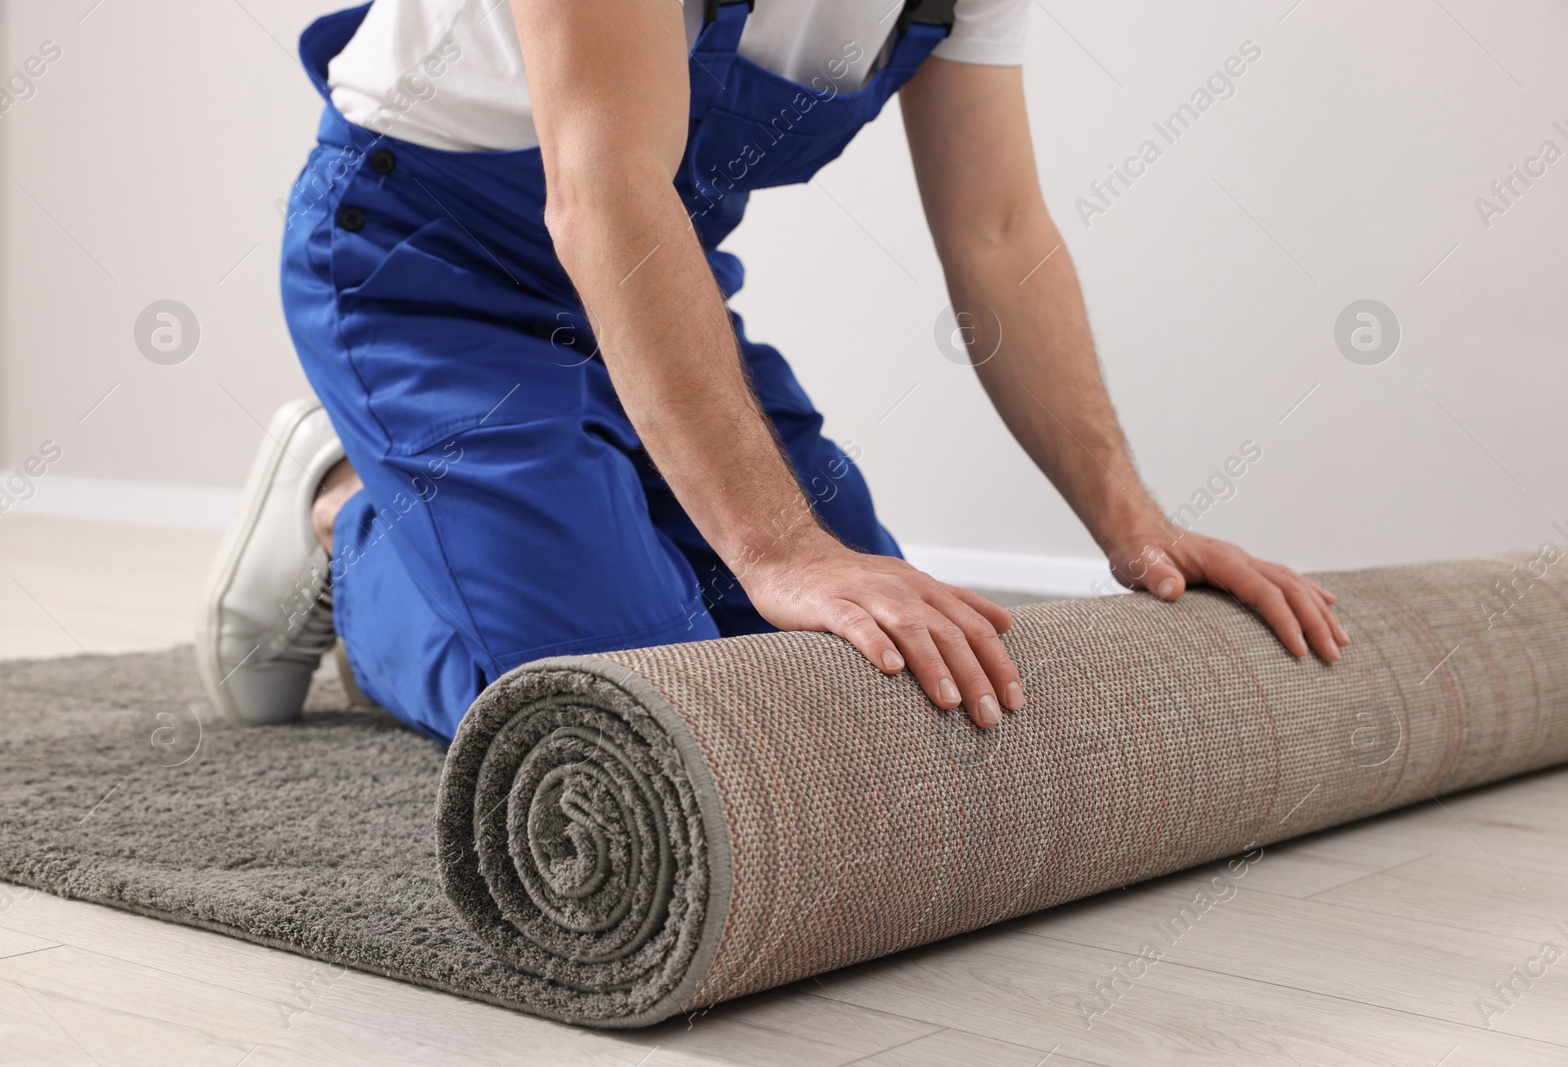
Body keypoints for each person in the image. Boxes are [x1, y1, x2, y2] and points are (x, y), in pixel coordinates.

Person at [195, 0, 1348, 744]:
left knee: (885, 680)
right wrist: (779, 546)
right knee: (639, 705)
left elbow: (997, 230)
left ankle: (490, 506)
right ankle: (348, 532)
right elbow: (602, 188)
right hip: (424, 270)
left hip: (650, 278)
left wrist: (1132, 519)